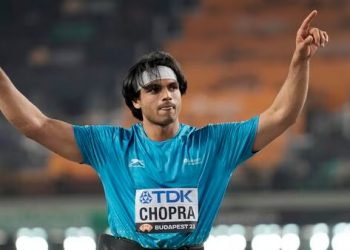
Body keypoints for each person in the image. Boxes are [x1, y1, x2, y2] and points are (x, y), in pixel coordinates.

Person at [0, 10, 328, 250]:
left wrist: (300, 61)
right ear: (136, 102)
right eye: (155, 89)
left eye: (173, 87)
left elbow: (282, 115)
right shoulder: (111, 145)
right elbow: (37, 125)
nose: (167, 95)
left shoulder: (213, 144)